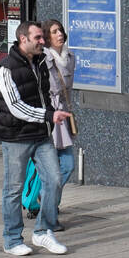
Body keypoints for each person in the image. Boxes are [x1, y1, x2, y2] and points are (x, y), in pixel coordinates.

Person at [0, 21, 72, 256]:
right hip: (16, 136)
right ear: (23, 39)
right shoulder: (5, 68)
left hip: (41, 134)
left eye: (42, 37)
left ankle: (42, 232)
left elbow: (45, 96)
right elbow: (16, 107)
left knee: (55, 180)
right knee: (13, 189)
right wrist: (48, 115)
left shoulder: (40, 63)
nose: (42, 41)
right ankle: (12, 239)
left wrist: (48, 117)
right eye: (38, 37)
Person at [43, 19, 77, 231]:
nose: (59, 34)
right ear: (47, 37)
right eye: (54, 32)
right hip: (50, 115)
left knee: (67, 165)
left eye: (61, 30)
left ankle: (48, 202)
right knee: (57, 169)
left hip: (64, 114)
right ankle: (49, 211)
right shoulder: (43, 59)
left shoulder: (71, 57)